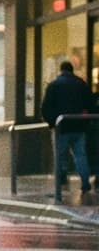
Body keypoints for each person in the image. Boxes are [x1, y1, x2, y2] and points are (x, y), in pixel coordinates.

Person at [41, 60, 93, 201]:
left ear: (61, 70)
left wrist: (52, 123)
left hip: (61, 127)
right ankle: (86, 183)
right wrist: (86, 121)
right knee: (80, 156)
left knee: (59, 156)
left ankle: (59, 185)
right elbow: (91, 103)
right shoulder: (81, 84)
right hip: (79, 127)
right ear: (72, 70)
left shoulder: (54, 85)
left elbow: (45, 108)